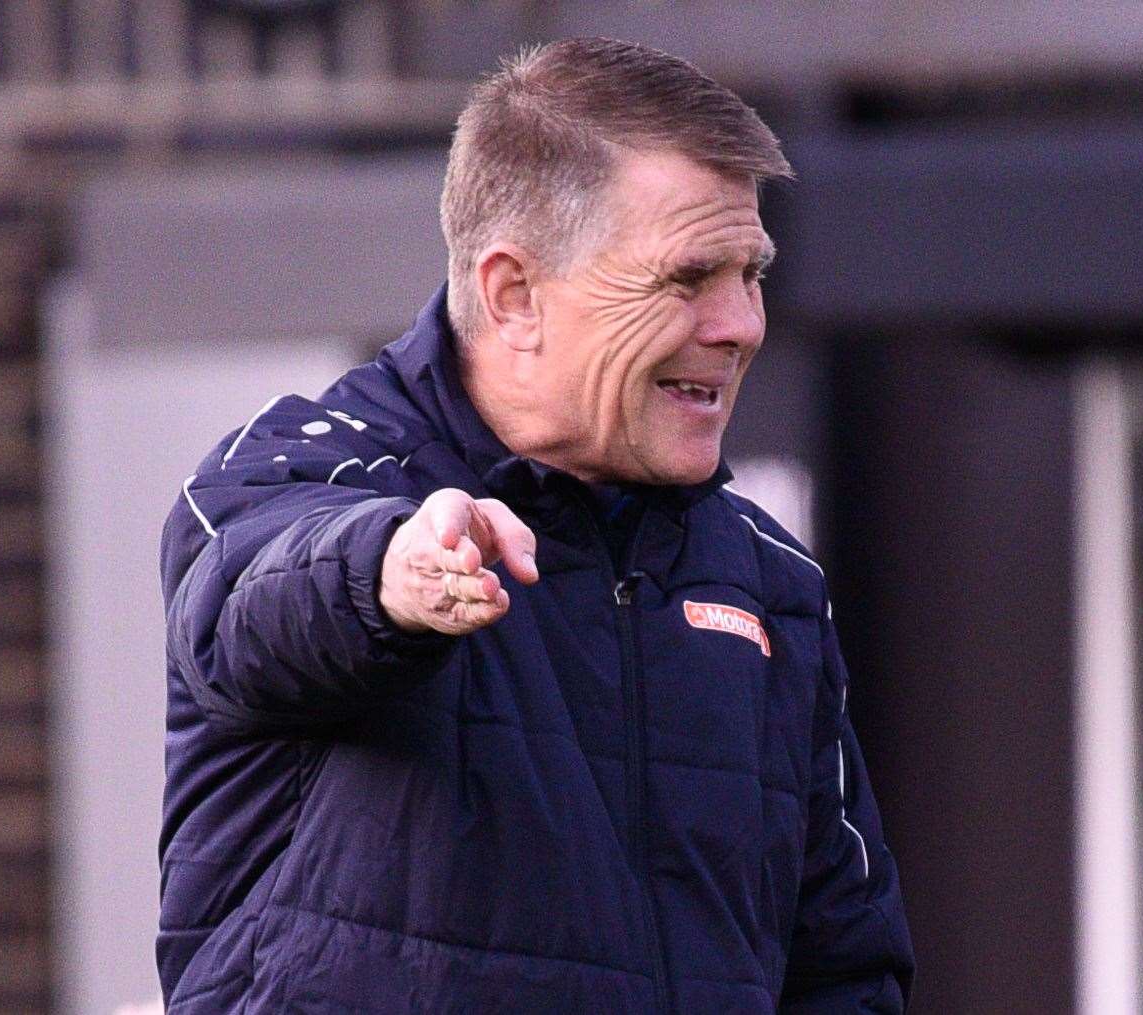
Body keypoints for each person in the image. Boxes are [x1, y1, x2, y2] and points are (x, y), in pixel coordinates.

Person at [158, 37, 914, 1013]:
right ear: (515, 294)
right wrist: (392, 575)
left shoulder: (768, 582)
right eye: (687, 279)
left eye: (751, 274)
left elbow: (843, 968)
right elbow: (248, 605)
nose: (741, 325)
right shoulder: (299, 463)